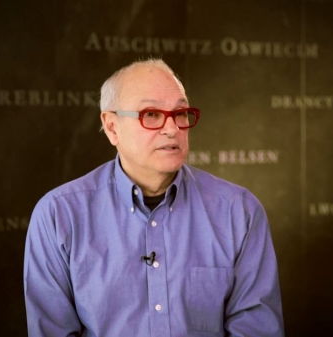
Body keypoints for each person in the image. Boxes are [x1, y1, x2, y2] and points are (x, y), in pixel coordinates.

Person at [23, 58, 284, 336]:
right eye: (151, 114)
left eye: (181, 113)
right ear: (112, 127)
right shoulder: (58, 215)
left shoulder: (238, 212)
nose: (172, 129)